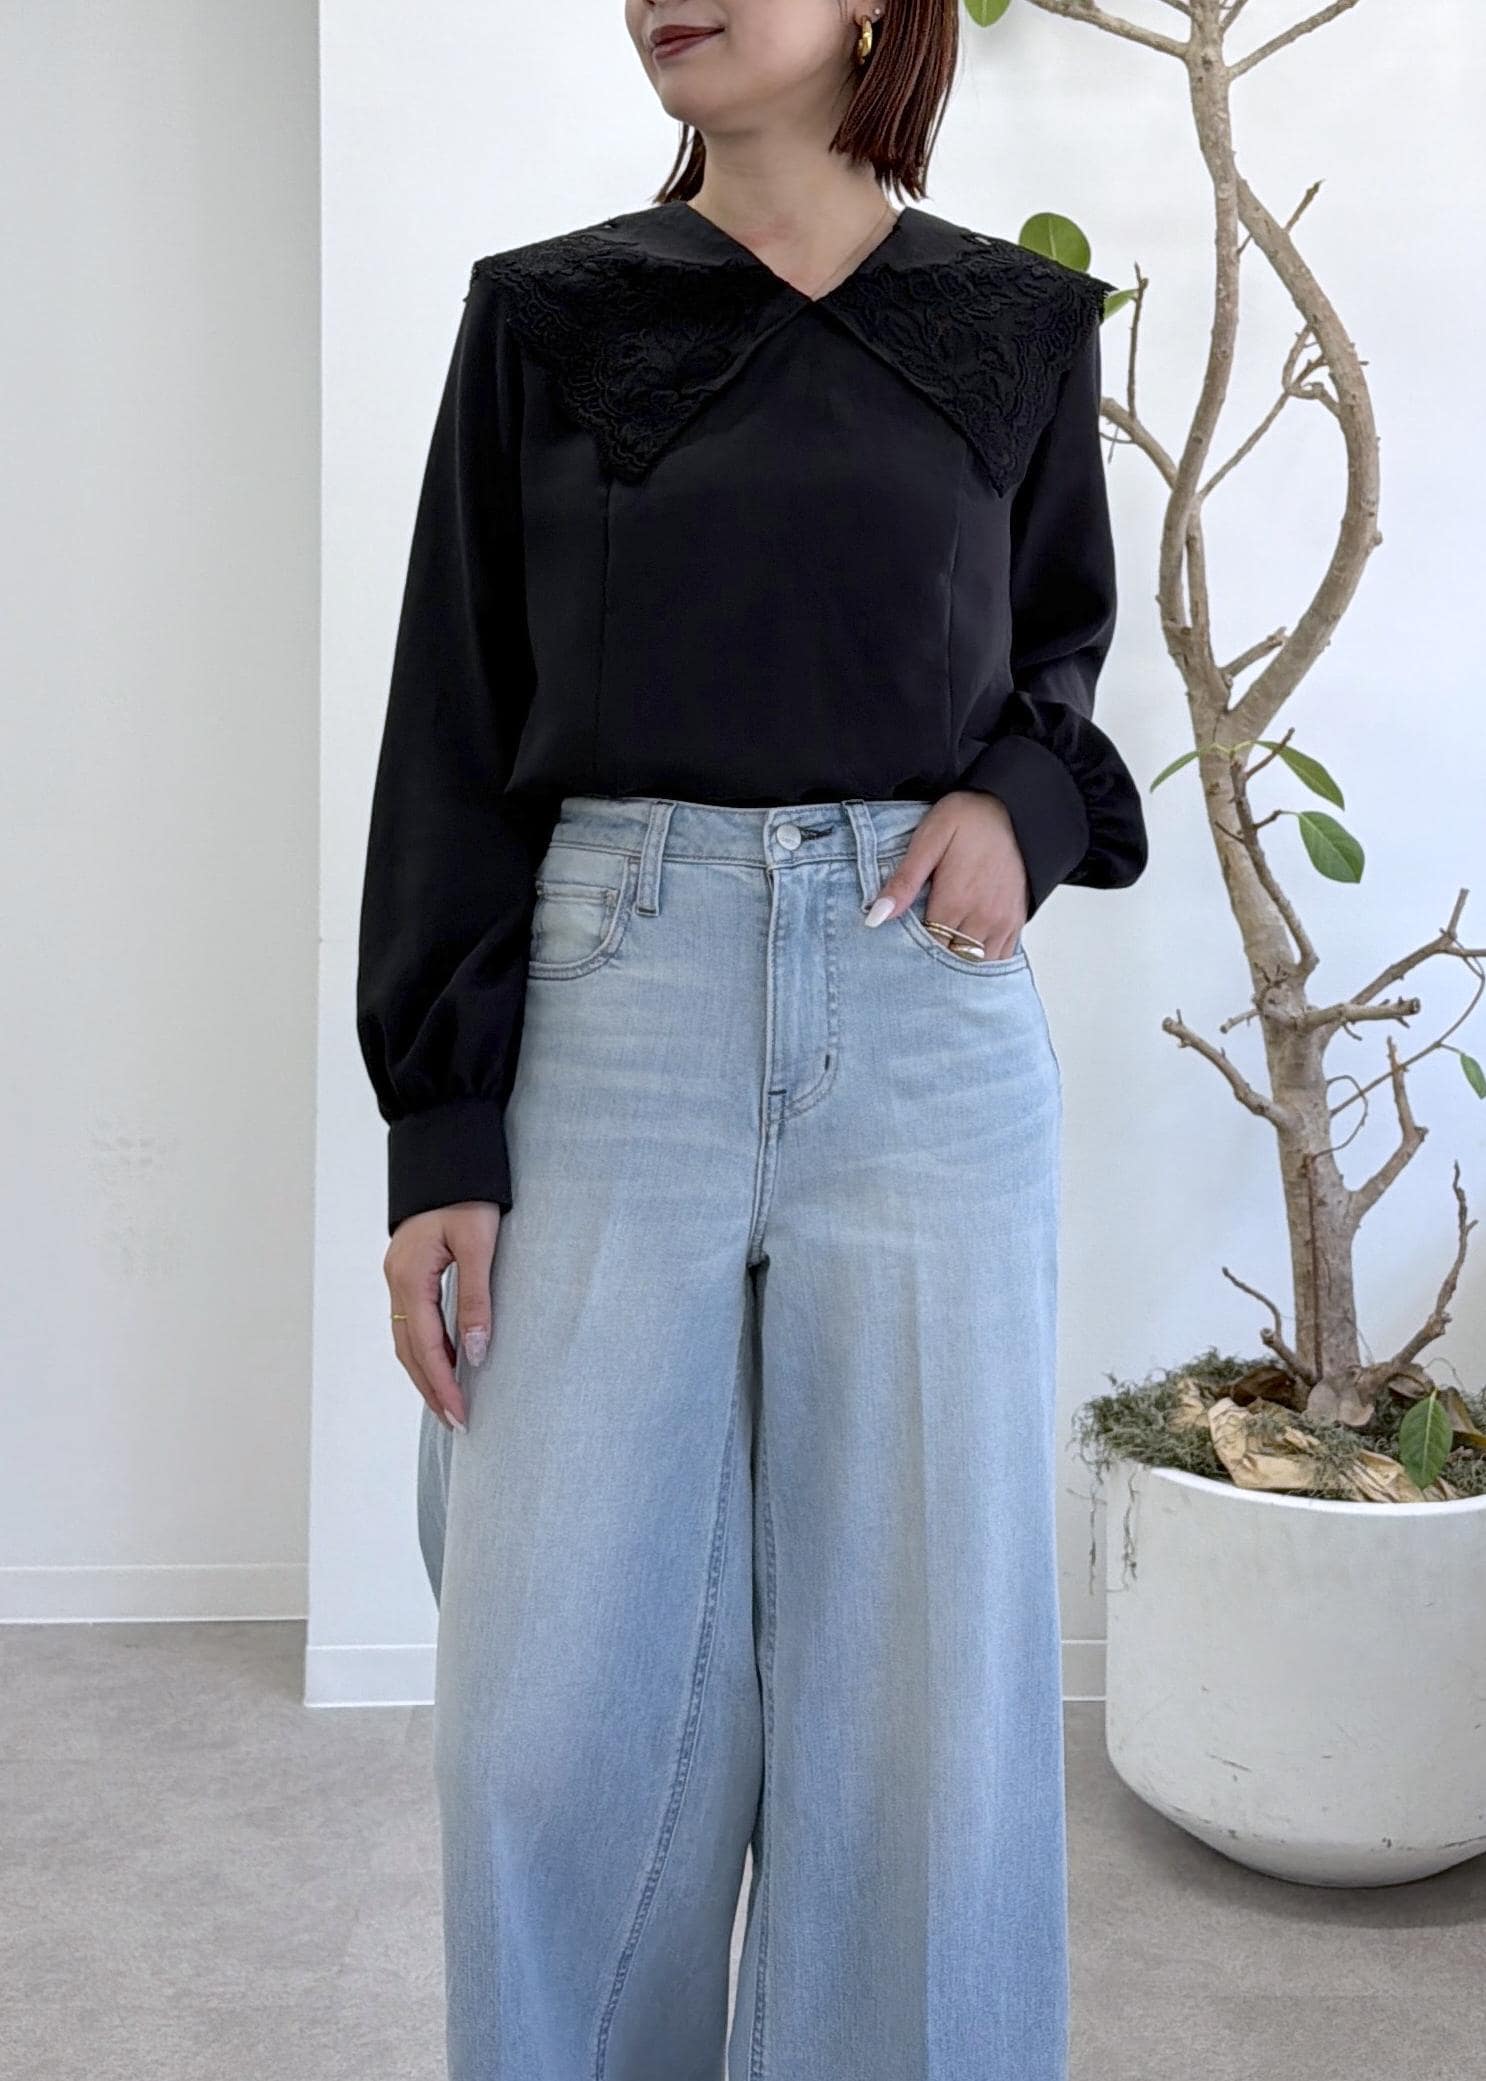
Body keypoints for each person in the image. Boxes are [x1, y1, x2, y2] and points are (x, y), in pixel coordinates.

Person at [355, 3, 1148, 2075]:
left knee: (924, 1712)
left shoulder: (1011, 326)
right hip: (609, 995)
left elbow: (1059, 651)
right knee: (543, 1717)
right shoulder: (547, 317)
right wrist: (439, 1134)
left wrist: (1020, 807)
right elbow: (454, 713)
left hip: (922, 1013)